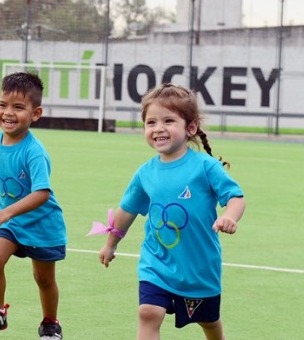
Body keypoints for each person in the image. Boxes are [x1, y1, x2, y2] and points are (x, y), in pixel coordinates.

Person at [95, 83, 246, 340]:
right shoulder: (145, 173)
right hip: (157, 263)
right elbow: (126, 211)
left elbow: (236, 197)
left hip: (199, 268)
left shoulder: (205, 167)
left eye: (168, 120)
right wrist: (111, 243)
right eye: (151, 122)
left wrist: (229, 216)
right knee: (148, 312)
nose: (158, 128)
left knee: (208, 321)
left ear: (191, 128)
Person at [0, 72, 67, 340]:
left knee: (44, 279)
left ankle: (50, 324)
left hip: (42, 223)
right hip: (10, 221)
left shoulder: (34, 151)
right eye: (2, 105)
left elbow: (42, 193)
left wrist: (7, 211)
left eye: (18, 107)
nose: (8, 113)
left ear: (36, 113)